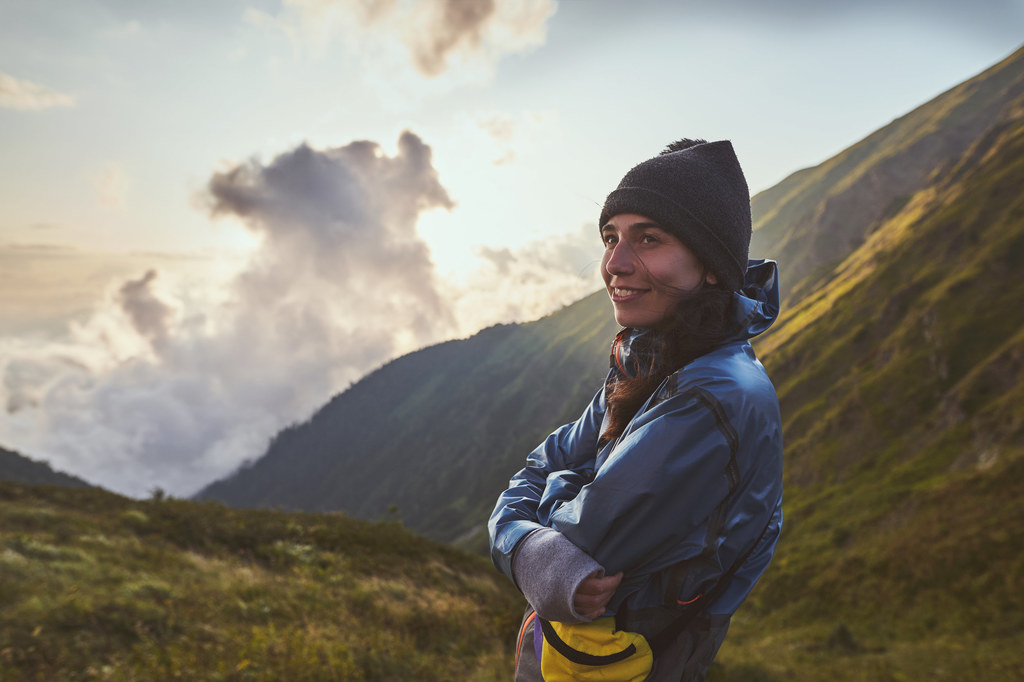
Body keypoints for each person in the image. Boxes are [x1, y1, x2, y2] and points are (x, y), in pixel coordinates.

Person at [488, 138, 784, 681]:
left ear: (712, 265)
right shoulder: (653, 360)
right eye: (610, 237)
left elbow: (582, 542)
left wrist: (528, 532)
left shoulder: (709, 398)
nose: (614, 265)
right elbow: (542, 466)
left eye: (648, 239)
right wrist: (528, 539)